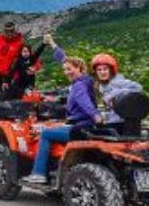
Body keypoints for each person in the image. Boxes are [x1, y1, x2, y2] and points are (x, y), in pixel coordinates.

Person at [21, 55, 102, 184]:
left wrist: (95, 114)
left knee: (46, 134)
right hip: (87, 124)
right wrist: (55, 100)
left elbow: (84, 102)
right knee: (56, 129)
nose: (66, 72)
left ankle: (38, 173)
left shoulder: (78, 85)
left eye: (69, 69)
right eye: (65, 70)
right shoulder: (86, 81)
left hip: (80, 125)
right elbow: (76, 99)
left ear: (79, 68)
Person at [90, 53, 143, 127]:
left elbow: (138, 88)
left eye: (105, 69)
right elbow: (106, 107)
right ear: (95, 72)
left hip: (122, 121)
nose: (102, 72)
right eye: (99, 70)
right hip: (111, 120)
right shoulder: (100, 86)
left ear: (110, 70)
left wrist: (114, 94)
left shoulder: (118, 81)